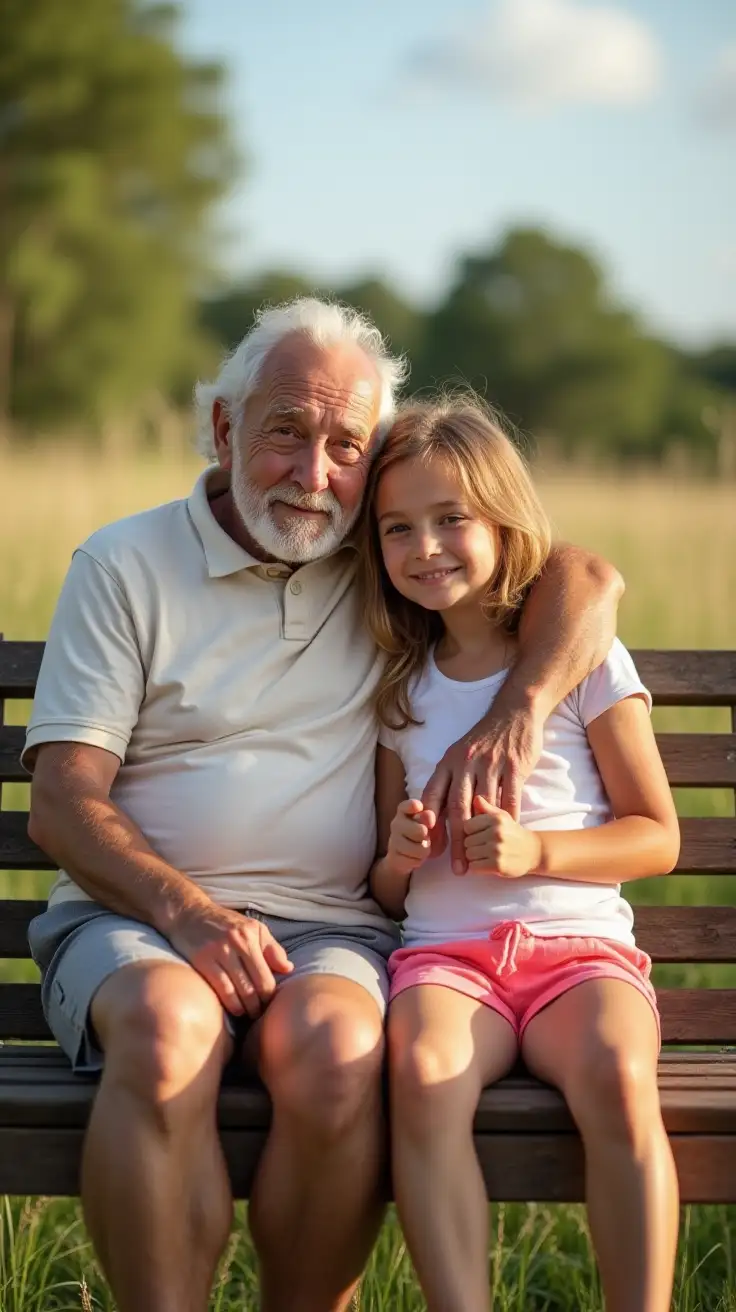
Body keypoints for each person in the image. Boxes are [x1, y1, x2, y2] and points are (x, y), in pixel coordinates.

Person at [24, 299, 624, 1312]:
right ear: (222, 429)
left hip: (329, 926)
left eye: (346, 444)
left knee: (340, 1052)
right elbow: (61, 800)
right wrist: (189, 914)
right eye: (284, 434)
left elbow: (583, 576)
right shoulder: (123, 565)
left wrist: (517, 709)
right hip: (136, 921)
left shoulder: (385, 558)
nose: (313, 475)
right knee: (170, 1029)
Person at [360, 396, 680, 1312]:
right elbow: (386, 891)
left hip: (578, 956)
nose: (427, 548)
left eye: (452, 519)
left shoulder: (581, 663)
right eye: (399, 529)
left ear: (503, 518)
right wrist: (401, 853)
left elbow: (655, 836)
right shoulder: (400, 690)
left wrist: (535, 847)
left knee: (621, 1077)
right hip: (448, 962)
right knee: (420, 1075)